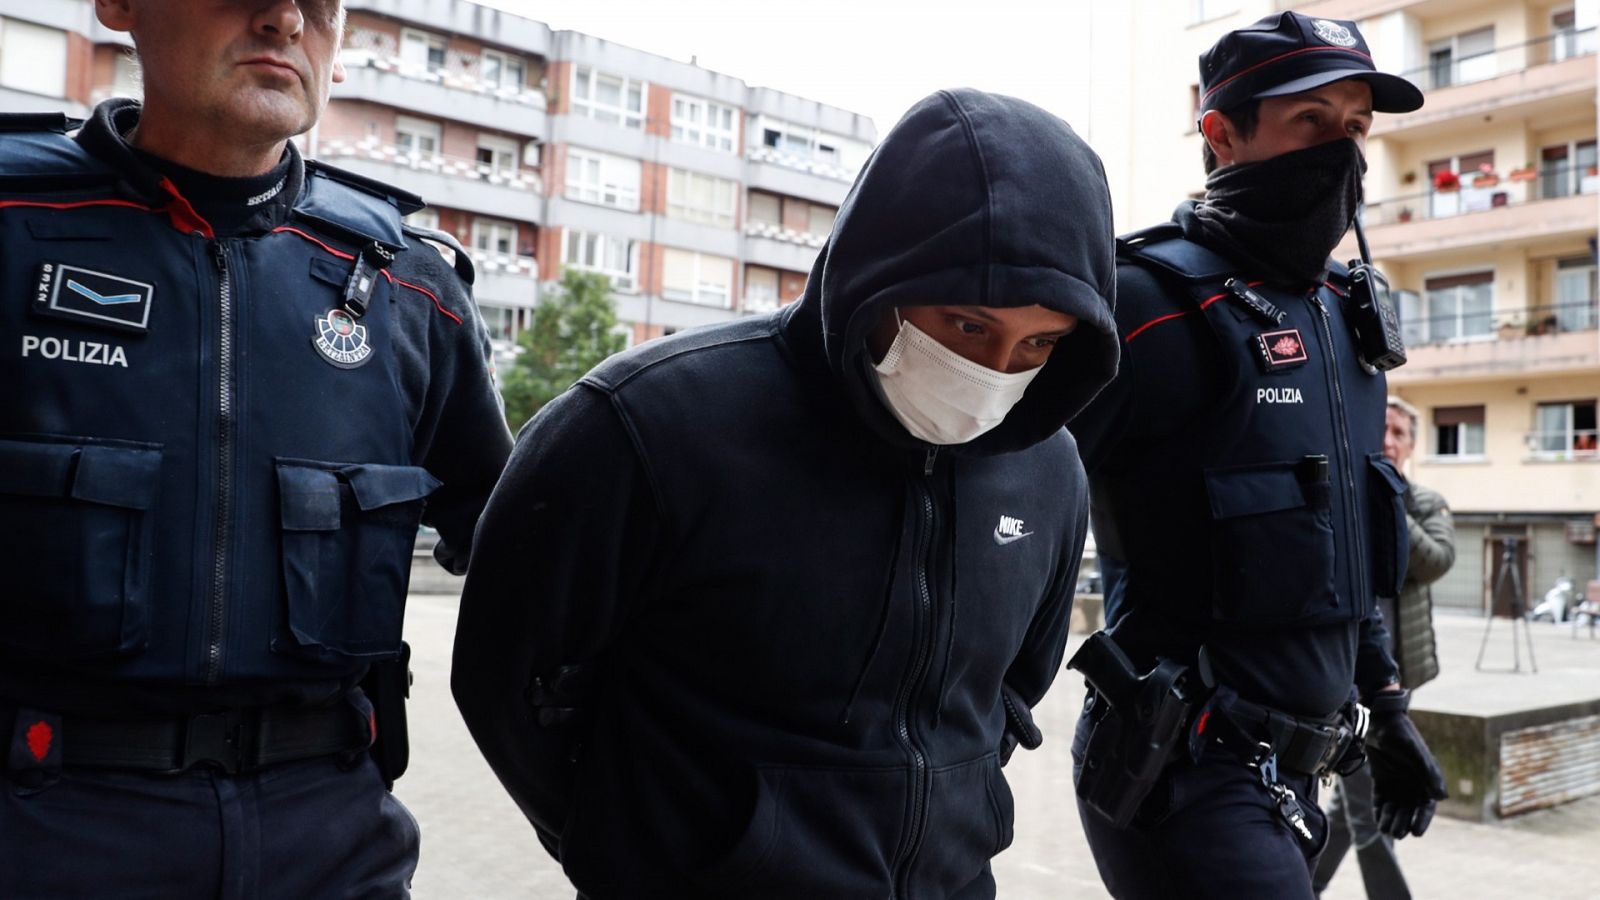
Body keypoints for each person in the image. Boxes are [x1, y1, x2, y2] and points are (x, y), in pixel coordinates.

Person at [452, 88, 1120, 898]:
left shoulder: (1050, 468)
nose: (993, 373)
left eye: (1040, 344)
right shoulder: (647, 422)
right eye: (967, 326)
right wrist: (641, 853)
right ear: (881, 274)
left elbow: (1013, 690)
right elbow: (506, 678)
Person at [0, 1, 511, 896]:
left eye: (320, 3)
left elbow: (540, 570)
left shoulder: (406, 289)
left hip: (334, 843)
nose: (283, 17)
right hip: (41, 829)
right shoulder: (13, 224)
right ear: (117, 6)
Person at [1067, 11, 1449, 899]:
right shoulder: (1145, 303)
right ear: (1222, 134)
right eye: (1309, 123)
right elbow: (1008, 506)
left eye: (1355, 128)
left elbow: (1347, 541)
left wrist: (1386, 706)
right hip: (1181, 767)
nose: (1342, 154)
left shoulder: (1348, 314)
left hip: (1303, 772)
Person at [1313, 396, 1455, 899]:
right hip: (1348, 683)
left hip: (1398, 684)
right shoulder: (1343, 494)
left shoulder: (1424, 502)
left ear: (1413, 446)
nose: (1388, 441)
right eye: (1383, 430)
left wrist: (1387, 500)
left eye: (1399, 434)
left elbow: (1435, 560)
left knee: (1350, 811)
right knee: (1367, 811)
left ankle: (1299, 885)